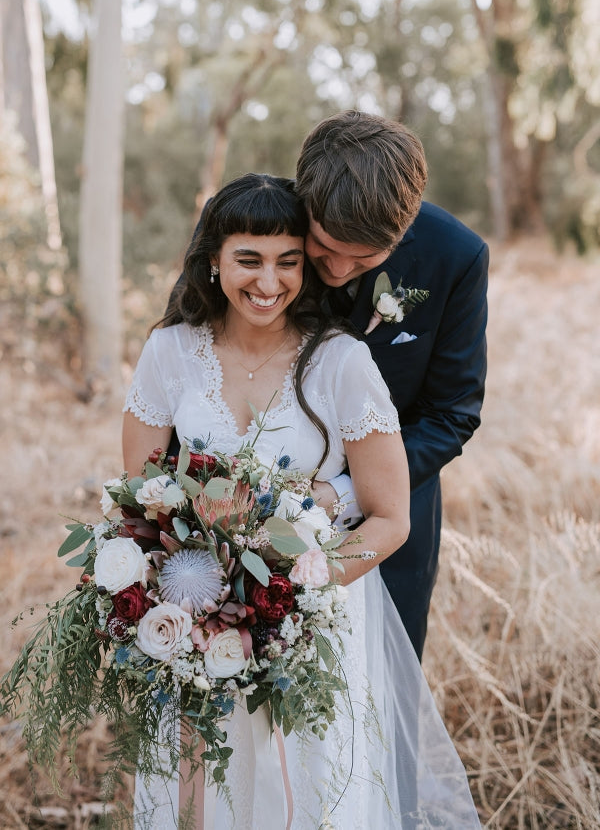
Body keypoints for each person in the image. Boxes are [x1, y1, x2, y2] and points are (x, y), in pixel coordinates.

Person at [123, 174, 480, 828]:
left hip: (310, 626)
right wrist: (193, 608)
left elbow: (391, 516)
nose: (270, 280)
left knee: (310, 793)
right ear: (213, 259)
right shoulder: (168, 353)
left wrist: (289, 599)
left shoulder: (340, 363)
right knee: (203, 797)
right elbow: (143, 503)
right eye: (250, 259)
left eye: (289, 261)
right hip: (196, 628)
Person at [295, 111, 489, 661]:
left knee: (382, 698)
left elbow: (452, 412)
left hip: (394, 523)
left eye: (364, 258)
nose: (337, 269)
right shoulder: (255, 227)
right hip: (257, 504)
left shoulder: (456, 256)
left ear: (402, 232)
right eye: (323, 247)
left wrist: (351, 492)